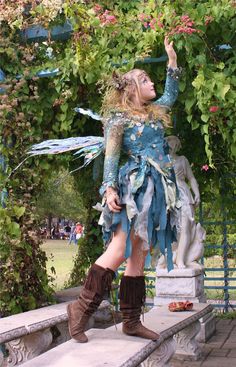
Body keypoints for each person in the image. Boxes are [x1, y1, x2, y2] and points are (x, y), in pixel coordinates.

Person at [67, 36, 182, 343]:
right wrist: (109, 190)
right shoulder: (118, 119)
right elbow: (112, 157)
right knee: (119, 249)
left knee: (139, 254)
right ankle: (80, 309)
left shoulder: (155, 112)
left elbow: (171, 94)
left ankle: (131, 320)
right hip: (132, 189)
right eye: (145, 80)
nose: (151, 82)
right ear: (132, 89)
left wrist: (171, 61)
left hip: (154, 192)